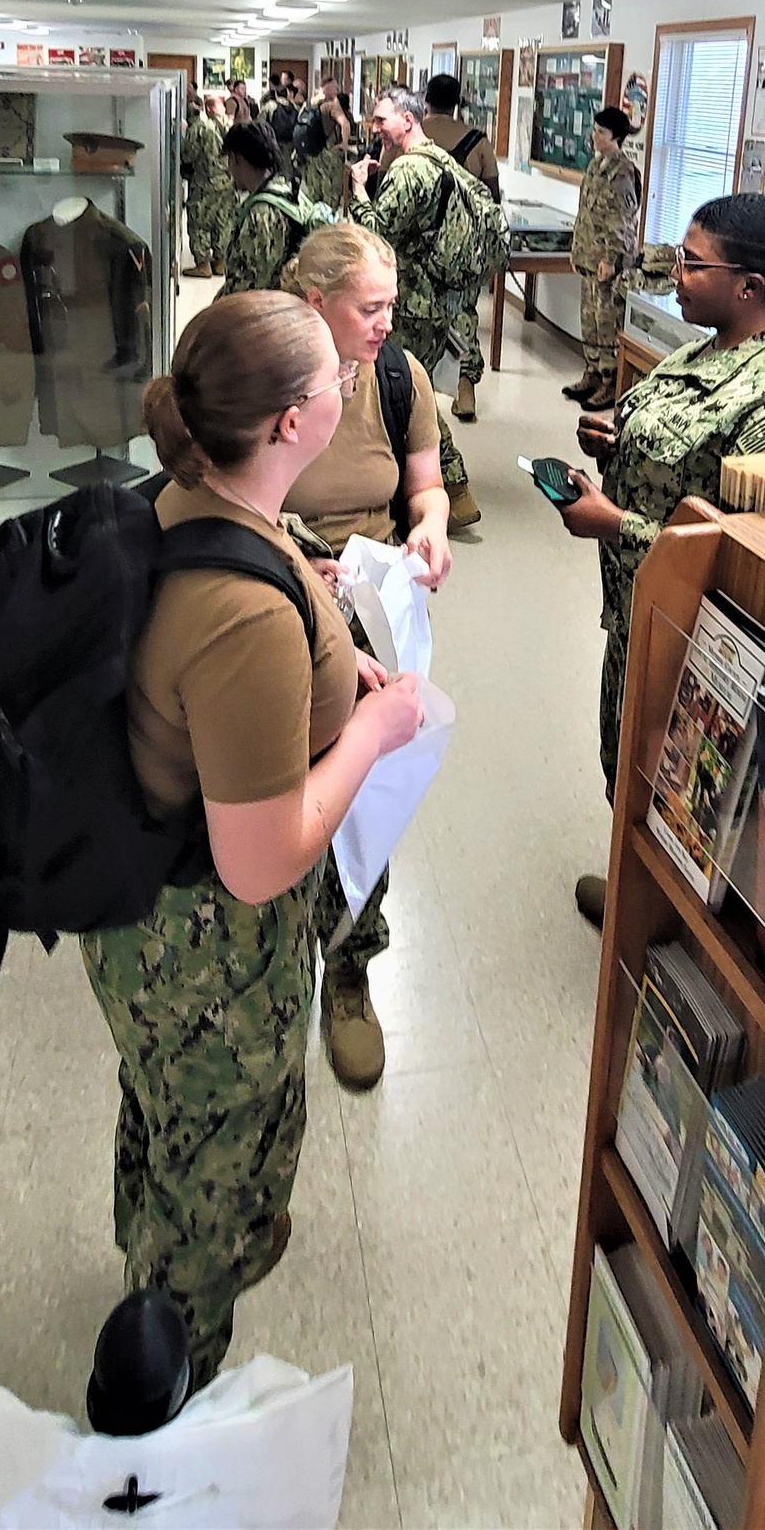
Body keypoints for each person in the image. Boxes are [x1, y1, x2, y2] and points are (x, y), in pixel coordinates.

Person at [80, 292, 423, 1389]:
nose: (351, 383)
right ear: (289, 422)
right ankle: (168, 1365)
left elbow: (249, 631)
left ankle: (155, 1249)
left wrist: (324, 640)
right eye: (333, 376)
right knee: (216, 1154)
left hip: (144, 922)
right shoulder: (240, 614)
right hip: (209, 957)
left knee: (166, 1103)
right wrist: (371, 729)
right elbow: (262, 856)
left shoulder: (204, 498)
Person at [557, 194, 765, 928]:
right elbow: (668, 442)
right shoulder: (702, 348)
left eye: (692, 262)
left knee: (680, 787)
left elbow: (746, 563)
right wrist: (614, 439)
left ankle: (656, 920)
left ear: (749, 286)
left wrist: (615, 524)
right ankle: (629, 881)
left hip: (698, 643)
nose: (674, 272)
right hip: (640, 611)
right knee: (626, 762)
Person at [282, 224, 451, 1087]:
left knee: (366, 793)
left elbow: (425, 483)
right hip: (281, 609)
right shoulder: (268, 370)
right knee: (286, 788)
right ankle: (272, 958)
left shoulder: (399, 377)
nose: (390, 321)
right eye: (371, 307)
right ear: (316, 305)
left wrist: (430, 525)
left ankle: (349, 968)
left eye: (393, 304)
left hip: (378, 611)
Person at [348, 87, 481, 531]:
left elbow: (377, 234)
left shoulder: (408, 170)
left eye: (382, 119)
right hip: (434, 297)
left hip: (412, 301)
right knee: (415, 390)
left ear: (408, 119)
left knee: (412, 393)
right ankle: (442, 487)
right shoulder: (440, 160)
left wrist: (359, 190)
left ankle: (452, 490)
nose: (375, 128)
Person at [422, 72, 502, 425]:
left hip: (420, 246)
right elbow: (492, 197)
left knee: (417, 315)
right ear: (457, 102)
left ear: (425, 99)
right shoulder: (478, 141)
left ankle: (418, 393)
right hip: (463, 248)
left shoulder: (410, 135)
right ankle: (465, 387)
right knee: (463, 314)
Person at [566, 105, 641, 411]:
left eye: (601, 132)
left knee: (607, 321)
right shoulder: (596, 165)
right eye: (594, 130)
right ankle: (593, 372)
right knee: (590, 320)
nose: (594, 136)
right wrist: (578, 251)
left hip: (608, 263)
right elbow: (586, 213)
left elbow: (621, 221)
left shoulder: (622, 172)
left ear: (617, 137)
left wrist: (610, 259)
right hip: (588, 256)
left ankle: (610, 380)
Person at [217, 121, 301, 295]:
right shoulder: (283, 189)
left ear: (237, 158)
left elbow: (253, 284)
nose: (228, 169)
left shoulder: (262, 214)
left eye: (229, 160)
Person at [180, 92, 236, 279]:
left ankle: (203, 264)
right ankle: (220, 262)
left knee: (200, 222)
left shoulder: (200, 127)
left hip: (205, 183)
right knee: (223, 222)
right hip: (228, 182)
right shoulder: (230, 126)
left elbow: (188, 155)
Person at [300, 76, 351, 209]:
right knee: (331, 193)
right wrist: (344, 144)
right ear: (327, 88)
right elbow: (345, 124)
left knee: (313, 192)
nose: (337, 90)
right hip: (328, 153)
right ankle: (328, 224)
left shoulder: (309, 103)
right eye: (335, 87)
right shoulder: (331, 105)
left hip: (311, 153)